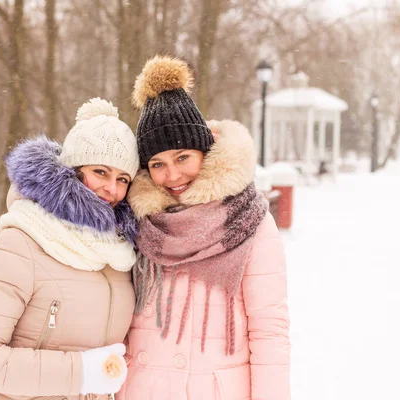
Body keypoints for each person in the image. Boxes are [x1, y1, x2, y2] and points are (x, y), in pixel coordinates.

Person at [118, 56, 291, 400]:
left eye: (183, 157)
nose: (172, 175)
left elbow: (269, 330)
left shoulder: (248, 219)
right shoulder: (137, 222)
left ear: (205, 152)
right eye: (158, 164)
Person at [0, 98, 139, 400]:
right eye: (101, 172)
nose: (113, 189)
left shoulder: (120, 253)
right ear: (73, 170)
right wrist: (81, 373)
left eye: (123, 179)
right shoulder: (19, 243)